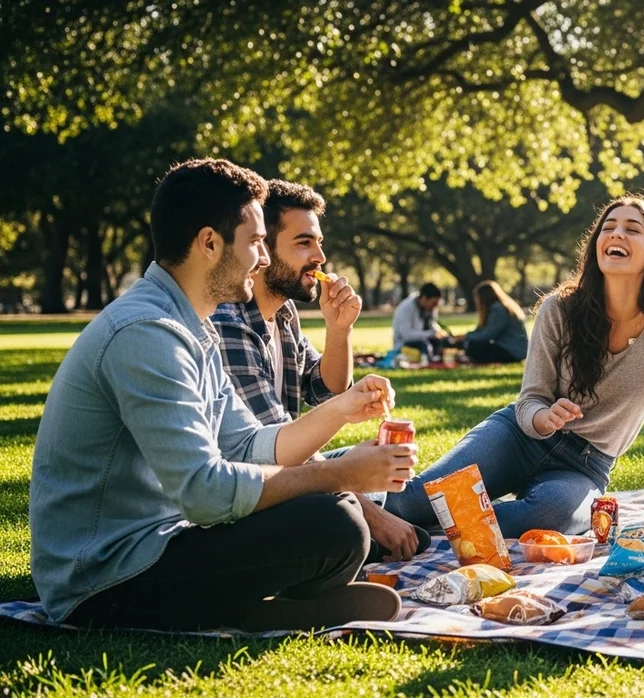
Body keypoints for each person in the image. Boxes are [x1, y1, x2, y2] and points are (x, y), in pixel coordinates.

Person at [29, 159, 417, 632]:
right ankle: (259, 606)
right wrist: (338, 473)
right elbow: (205, 492)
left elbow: (249, 445)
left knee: (342, 512)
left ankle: (259, 608)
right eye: (255, 242)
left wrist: (342, 408)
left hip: (164, 542)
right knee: (335, 522)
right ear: (209, 243)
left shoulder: (195, 325)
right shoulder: (146, 332)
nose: (262, 259)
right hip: (104, 581)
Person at [383, 195, 644, 536]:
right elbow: (530, 399)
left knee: (551, 516)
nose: (616, 235)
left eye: (632, 229)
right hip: (518, 438)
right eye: (608, 227)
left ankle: (437, 531)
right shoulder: (559, 309)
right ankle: (351, 492)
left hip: (585, 467)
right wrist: (546, 417)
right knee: (414, 503)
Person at [211, 179, 428, 564]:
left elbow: (325, 390)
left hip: (289, 467)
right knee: (350, 509)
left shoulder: (283, 314)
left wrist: (339, 329)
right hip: (250, 486)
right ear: (263, 249)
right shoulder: (230, 323)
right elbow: (270, 448)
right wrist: (372, 513)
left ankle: (392, 516)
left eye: (319, 242)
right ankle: (383, 524)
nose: (320, 257)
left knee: (375, 464)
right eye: (304, 242)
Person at [456, 280, 529, 363]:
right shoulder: (500, 307)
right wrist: (466, 336)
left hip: (513, 351)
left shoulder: (499, 309)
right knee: (472, 343)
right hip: (514, 350)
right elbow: (482, 331)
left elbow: (488, 335)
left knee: (473, 346)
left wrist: (467, 337)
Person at [392, 282, 450, 361]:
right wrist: (431, 334)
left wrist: (440, 332)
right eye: (433, 303)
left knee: (445, 342)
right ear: (424, 298)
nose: (435, 307)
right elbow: (407, 335)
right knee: (424, 345)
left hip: (425, 339)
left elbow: (432, 324)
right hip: (405, 344)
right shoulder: (406, 308)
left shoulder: (430, 309)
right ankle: (429, 359)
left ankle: (436, 357)